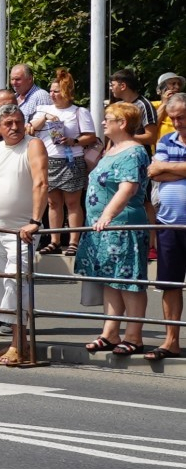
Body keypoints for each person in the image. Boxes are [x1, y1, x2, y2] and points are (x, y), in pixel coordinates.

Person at [77, 101, 154, 355]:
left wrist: (107, 215)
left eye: (108, 118)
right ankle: (110, 332)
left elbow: (128, 187)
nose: (102, 122)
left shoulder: (134, 151)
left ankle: (134, 336)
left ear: (122, 123)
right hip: (103, 227)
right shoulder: (112, 148)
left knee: (129, 281)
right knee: (110, 280)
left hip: (123, 225)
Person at [0, 104, 46, 366]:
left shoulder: (33, 144)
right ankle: (15, 342)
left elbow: (41, 182)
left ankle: (20, 344)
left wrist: (35, 221)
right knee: (1, 284)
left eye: (18, 121)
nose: (14, 127)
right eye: (8, 123)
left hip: (22, 228)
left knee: (16, 282)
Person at [29, 70, 97, 255]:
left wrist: (73, 141)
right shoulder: (44, 109)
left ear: (66, 92)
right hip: (49, 159)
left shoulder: (78, 111)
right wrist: (46, 117)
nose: (52, 94)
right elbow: (31, 129)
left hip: (71, 159)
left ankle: (74, 241)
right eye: (51, 91)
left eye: (57, 91)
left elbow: (91, 136)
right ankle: (55, 239)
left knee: (72, 203)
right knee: (53, 203)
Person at [146, 92, 186, 362]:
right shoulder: (166, 139)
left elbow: (163, 169)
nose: (177, 122)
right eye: (173, 118)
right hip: (169, 223)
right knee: (170, 285)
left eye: (181, 117)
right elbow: (153, 171)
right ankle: (171, 341)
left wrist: (167, 167)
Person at [108, 68, 162, 149]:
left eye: (113, 85)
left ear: (123, 86)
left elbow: (151, 138)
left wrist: (124, 137)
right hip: (116, 154)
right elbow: (112, 137)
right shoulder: (118, 105)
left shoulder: (144, 105)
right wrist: (107, 154)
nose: (111, 88)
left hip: (136, 156)